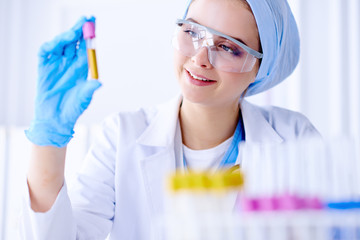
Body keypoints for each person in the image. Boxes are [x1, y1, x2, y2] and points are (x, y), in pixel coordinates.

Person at [20, 0, 320, 239]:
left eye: (228, 47)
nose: (201, 58)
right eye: (192, 32)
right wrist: (49, 141)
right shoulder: (122, 135)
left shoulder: (294, 138)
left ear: (262, 68)